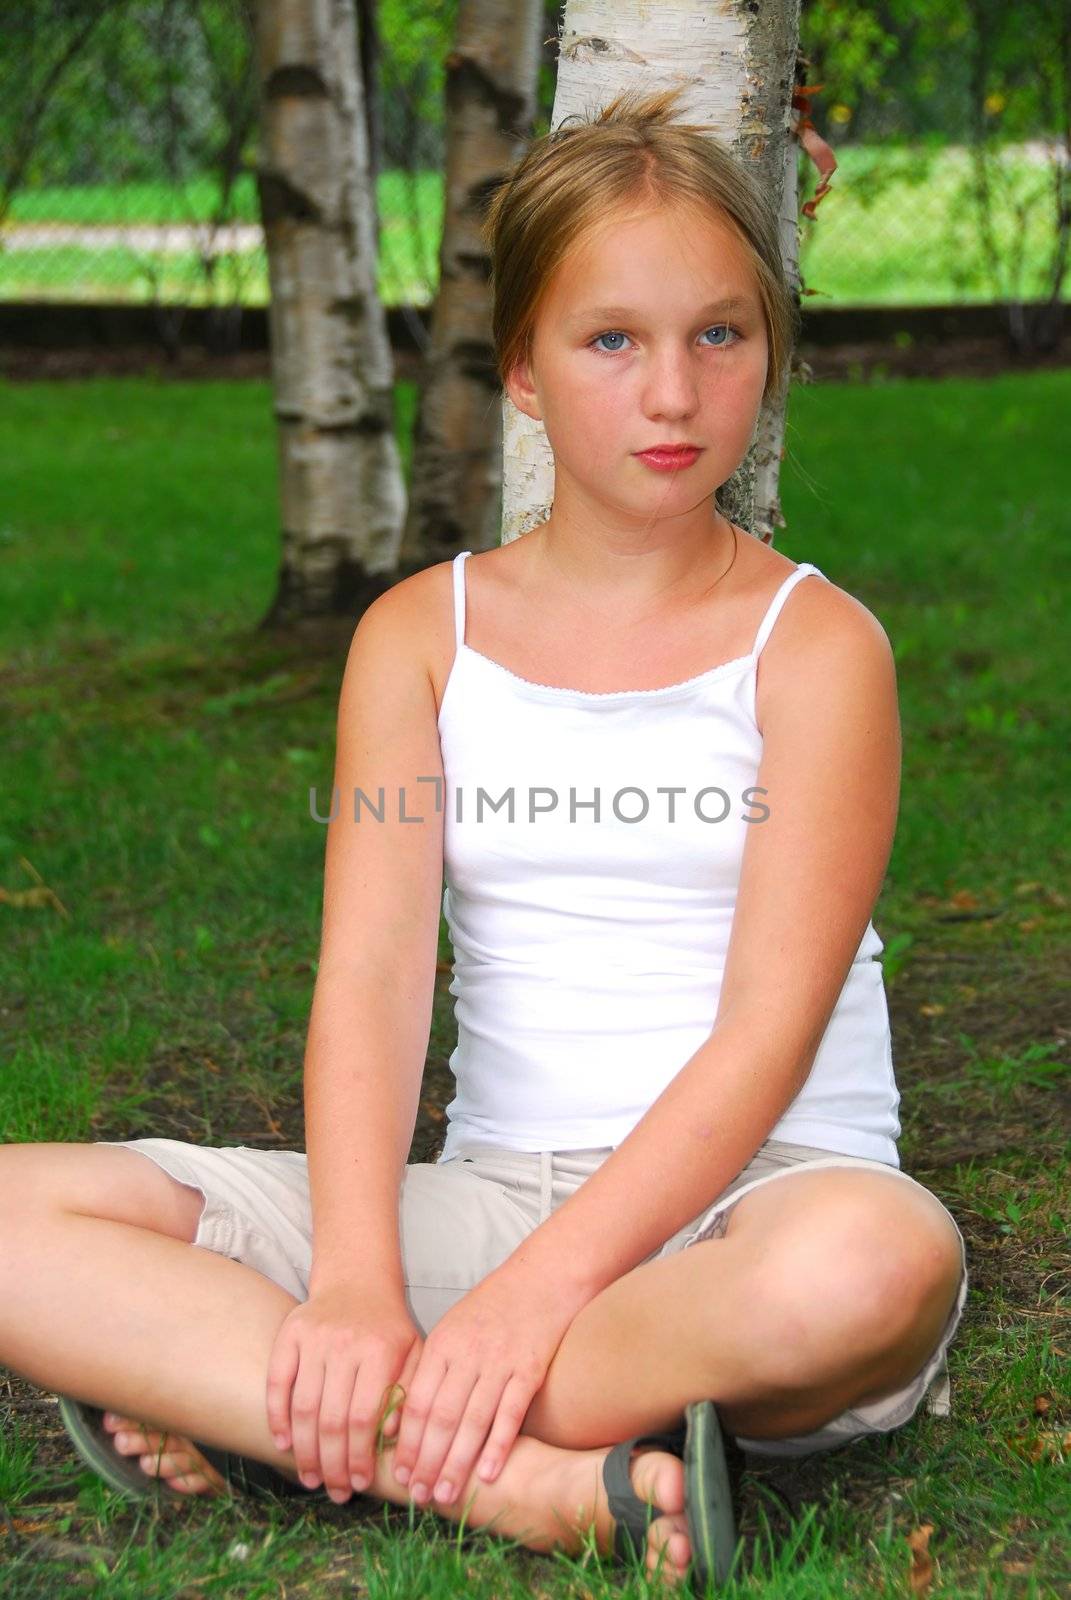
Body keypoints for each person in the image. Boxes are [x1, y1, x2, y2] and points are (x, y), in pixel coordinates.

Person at [1, 86, 968, 1591]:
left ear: (771, 352)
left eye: (721, 333)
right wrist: (357, 1279)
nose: (672, 393)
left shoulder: (817, 648)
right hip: (499, 1188)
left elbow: (768, 1035)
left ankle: (283, 1407)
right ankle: (515, 1482)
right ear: (522, 367)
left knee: (874, 1269)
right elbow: (375, 979)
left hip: (760, 1201)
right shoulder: (419, 639)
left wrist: (527, 1303)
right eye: (612, 341)